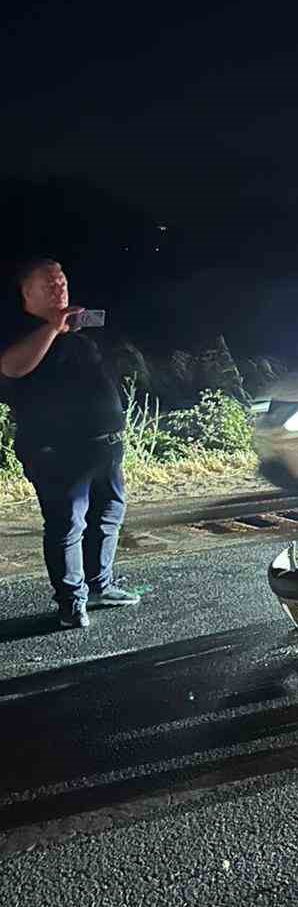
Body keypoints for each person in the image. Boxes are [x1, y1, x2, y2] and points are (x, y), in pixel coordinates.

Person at [0, 258, 140, 629]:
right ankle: (71, 602)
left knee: (109, 514)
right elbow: (12, 368)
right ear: (26, 293)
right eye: (48, 284)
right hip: (57, 451)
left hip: (105, 444)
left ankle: (101, 585)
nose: (59, 287)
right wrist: (51, 328)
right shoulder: (20, 330)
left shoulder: (77, 327)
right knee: (66, 525)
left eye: (61, 280)